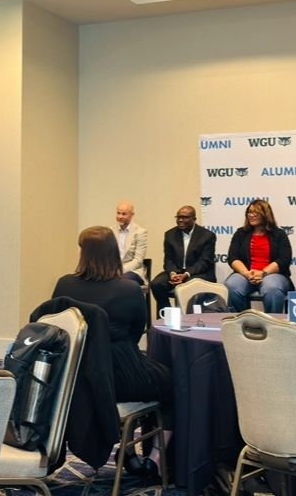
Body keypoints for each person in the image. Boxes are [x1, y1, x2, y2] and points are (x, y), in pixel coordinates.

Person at [53, 226, 172, 477]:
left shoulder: (64, 284)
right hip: (119, 376)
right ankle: (154, 458)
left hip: (74, 377)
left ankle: (128, 449)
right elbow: (136, 335)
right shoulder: (129, 289)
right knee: (172, 383)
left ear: (84, 253)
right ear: (113, 253)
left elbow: (56, 326)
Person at [223, 199, 292, 313]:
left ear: (265, 214)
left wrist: (263, 273)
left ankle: (272, 321)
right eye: (249, 212)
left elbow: (284, 260)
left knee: (272, 287)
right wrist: (246, 273)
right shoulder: (241, 233)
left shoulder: (279, 234)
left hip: (272, 274)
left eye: (256, 212)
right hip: (247, 274)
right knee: (232, 285)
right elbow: (233, 257)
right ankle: (244, 319)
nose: (251, 215)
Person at [149, 205, 217, 311]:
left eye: (184, 217)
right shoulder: (170, 235)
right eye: (178, 217)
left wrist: (186, 274)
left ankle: (190, 317)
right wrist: (173, 273)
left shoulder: (207, 236)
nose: (180, 220)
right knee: (157, 284)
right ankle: (168, 314)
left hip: (198, 273)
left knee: (190, 285)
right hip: (177, 272)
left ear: (194, 219)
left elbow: (204, 261)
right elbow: (168, 259)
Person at [114, 200, 148, 283]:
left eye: (124, 214)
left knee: (121, 281)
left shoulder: (140, 232)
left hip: (133, 271)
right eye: (118, 213)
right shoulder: (110, 231)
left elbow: (138, 261)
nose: (120, 216)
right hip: (113, 270)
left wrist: (120, 270)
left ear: (132, 215)